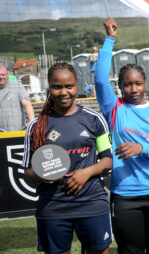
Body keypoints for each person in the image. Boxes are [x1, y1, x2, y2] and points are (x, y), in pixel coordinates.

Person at [95, 18, 149, 253]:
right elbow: (100, 79)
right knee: (130, 250)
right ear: (120, 86)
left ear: (145, 84)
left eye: (138, 84)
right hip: (124, 195)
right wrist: (109, 39)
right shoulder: (115, 109)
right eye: (127, 84)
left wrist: (142, 148)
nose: (133, 89)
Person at [22, 62, 113, 254]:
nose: (63, 92)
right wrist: (41, 174)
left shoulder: (94, 119)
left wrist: (86, 173)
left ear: (77, 86)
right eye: (57, 87)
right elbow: (28, 173)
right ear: (49, 89)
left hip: (92, 203)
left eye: (69, 86)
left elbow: (108, 159)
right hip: (53, 206)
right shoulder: (36, 126)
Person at [0, 65, 35, 131]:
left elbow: (27, 104)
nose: (1, 77)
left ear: (8, 74)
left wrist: (31, 121)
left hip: (17, 131)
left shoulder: (17, 85)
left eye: (3, 74)